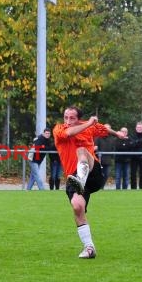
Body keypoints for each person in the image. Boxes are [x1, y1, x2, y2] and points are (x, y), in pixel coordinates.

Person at [53, 106, 123, 259]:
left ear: (78, 118)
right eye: (66, 117)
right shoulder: (59, 129)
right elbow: (70, 132)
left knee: (82, 151)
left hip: (93, 173)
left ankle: (81, 179)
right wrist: (90, 122)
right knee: (78, 207)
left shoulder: (89, 127)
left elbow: (104, 129)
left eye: (72, 118)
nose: (68, 121)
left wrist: (116, 133)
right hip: (73, 176)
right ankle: (89, 247)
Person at [94, 124, 116, 188]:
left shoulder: (112, 139)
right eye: (105, 128)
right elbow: (95, 147)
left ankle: (102, 187)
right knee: (99, 175)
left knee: (106, 175)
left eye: (109, 129)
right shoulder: (98, 138)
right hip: (99, 161)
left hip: (108, 160)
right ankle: (98, 187)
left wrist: (112, 156)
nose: (107, 130)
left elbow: (113, 149)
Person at [130, 122, 142, 189]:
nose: (139, 128)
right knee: (133, 173)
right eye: (138, 127)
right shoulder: (132, 135)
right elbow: (132, 144)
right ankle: (133, 187)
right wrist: (141, 141)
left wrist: (137, 141)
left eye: (140, 127)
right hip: (134, 157)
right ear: (136, 128)